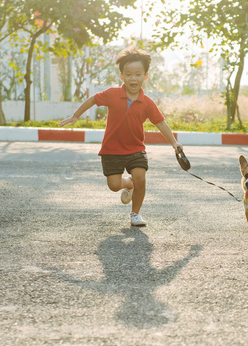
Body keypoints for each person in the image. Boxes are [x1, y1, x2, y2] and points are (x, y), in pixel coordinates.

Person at [58, 46, 183, 227]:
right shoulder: (112, 94)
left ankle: (135, 214)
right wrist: (76, 115)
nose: (134, 78)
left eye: (138, 74)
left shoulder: (147, 103)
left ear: (145, 76)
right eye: (129, 74)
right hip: (112, 149)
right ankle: (128, 184)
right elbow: (93, 99)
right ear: (122, 76)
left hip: (136, 148)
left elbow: (161, 123)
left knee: (141, 177)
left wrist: (174, 142)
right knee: (114, 185)